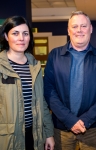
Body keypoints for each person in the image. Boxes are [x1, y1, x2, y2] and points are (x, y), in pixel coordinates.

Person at [44, 11, 96, 150]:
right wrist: (70, 120)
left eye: (83, 26)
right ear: (68, 30)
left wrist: (85, 120)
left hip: (92, 130)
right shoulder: (55, 55)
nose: (79, 30)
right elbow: (49, 91)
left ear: (91, 29)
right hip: (61, 130)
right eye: (75, 26)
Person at [0, 16, 55, 150]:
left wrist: (48, 134)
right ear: (6, 37)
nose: (21, 38)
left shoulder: (34, 65)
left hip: (34, 135)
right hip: (8, 138)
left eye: (25, 33)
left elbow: (41, 102)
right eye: (15, 33)